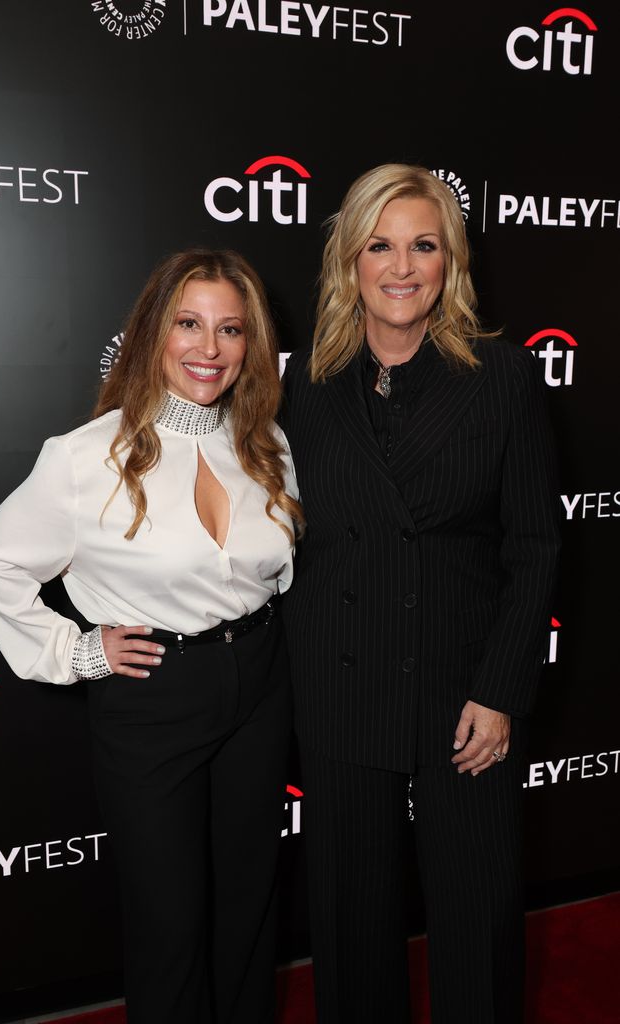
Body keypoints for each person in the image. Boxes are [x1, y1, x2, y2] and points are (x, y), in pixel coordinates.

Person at [0, 249, 302, 1024]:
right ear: (153, 334)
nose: (208, 349)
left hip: (260, 682)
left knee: (250, 905)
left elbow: (281, 571)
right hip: (152, 697)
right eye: (188, 324)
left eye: (230, 329)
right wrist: (79, 650)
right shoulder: (85, 458)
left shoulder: (269, 445)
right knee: (168, 922)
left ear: (252, 344)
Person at [280, 164, 560, 1024]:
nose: (402, 267)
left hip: (460, 691)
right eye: (380, 245)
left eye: (423, 245)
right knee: (351, 926)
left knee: (476, 921)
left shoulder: (503, 379)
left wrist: (500, 690)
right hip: (341, 687)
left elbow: (536, 545)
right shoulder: (300, 389)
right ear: (350, 263)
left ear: (450, 262)